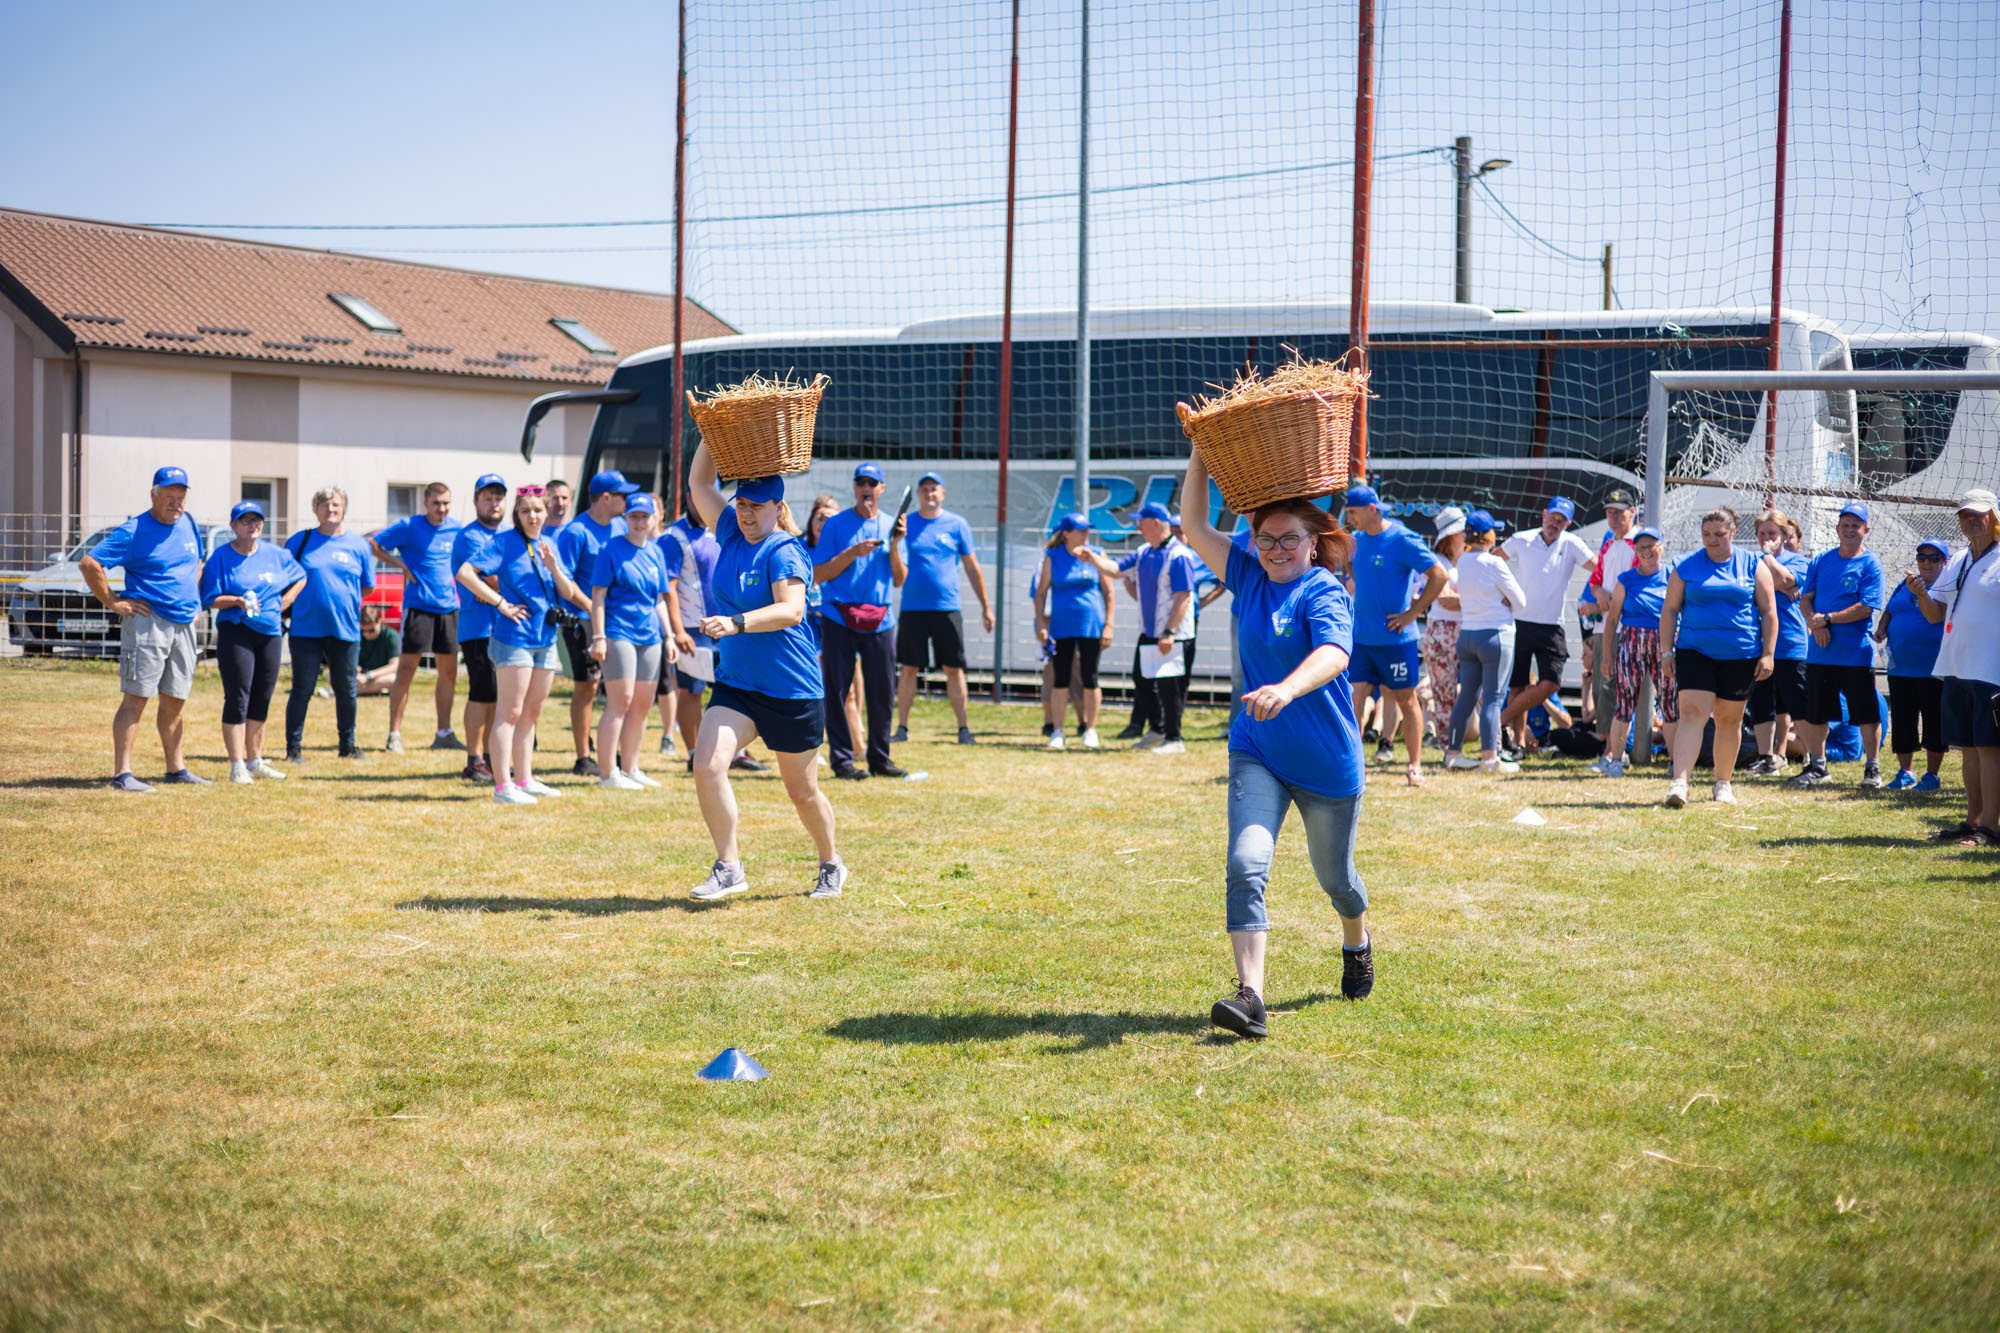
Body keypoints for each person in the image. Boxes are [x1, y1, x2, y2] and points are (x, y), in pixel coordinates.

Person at [1178, 449, 1371, 1039]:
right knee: (1245, 864)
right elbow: (1193, 527)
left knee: (1337, 881)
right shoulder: (1248, 576)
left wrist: (1287, 688)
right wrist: (1202, 452)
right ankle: (1251, 997)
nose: (1276, 550)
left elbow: (1336, 654)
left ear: (1314, 542)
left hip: (1327, 765)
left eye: (1289, 540)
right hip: (1257, 750)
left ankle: (1357, 939)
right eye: (1265, 540)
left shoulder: (1323, 590)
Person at [683, 448, 847, 901]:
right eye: (742, 504)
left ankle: (831, 862)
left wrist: (735, 623)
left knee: (802, 792)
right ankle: (729, 866)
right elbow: (699, 485)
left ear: (778, 507)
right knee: (708, 763)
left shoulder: (785, 550)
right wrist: (709, 432)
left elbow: (792, 611)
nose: (747, 513)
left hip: (791, 689)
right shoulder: (732, 531)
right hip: (738, 685)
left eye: (757, 506)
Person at [457, 486, 591, 805]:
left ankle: (525, 778)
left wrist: (554, 567)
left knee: (532, 711)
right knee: (510, 711)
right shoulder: (503, 542)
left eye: (538, 510)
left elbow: (569, 592)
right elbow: (465, 573)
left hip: (544, 637)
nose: (532, 516)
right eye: (525, 511)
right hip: (513, 637)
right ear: (517, 515)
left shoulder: (549, 544)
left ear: (547, 513)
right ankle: (503, 786)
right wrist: (500, 603)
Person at [79, 466, 209, 792]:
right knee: (136, 699)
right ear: (153, 495)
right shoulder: (133, 530)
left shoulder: (189, 523)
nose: (176, 504)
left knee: (175, 700)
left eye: (181, 497)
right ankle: (122, 774)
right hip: (148, 623)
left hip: (184, 625)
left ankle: (175, 769)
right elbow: (90, 563)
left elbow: (197, 563)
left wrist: (193, 601)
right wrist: (113, 602)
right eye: (169, 497)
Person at [1658, 507, 1776, 808]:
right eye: (1706, 535)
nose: (1712, 540)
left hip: (1741, 653)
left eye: (1719, 535)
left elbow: (1768, 612)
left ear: (1733, 532)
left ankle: (1722, 783)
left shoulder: (1754, 564)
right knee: (1693, 714)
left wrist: (1768, 654)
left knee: (1729, 719)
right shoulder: (1685, 566)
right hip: (1695, 650)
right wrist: (1666, 651)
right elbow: (1670, 610)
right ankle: (1680, 783)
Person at [1902, 488, 2000, 846]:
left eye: (1979, 514)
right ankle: (1973, 820)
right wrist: (1921, 593)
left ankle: (1991, 826)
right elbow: (1934, 615)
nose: (1972, 520)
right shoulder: (1959, 559)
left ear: (1994, 516)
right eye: (1965, 514)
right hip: (1957, 667)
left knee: (1991, 749)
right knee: (1969, 748)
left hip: (1992, 670)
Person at [1340, 485, 1448, 786]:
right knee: (1355, 698)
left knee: (1406, 700)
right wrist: (1350, 577)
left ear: (1372, 509)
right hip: (1361, 638)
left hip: (1395, 641)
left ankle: (1415, 766)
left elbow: (1439, 575)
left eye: (1353, 512)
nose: (1350, 518)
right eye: (1347, 512)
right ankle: (1355, 765)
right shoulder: (1356, 541)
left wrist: (1413, 613)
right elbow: (1347, 560)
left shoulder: (1401, 539)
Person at [200, 500, 308, 784]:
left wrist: (288, 599)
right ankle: (236, 763)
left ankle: (255, 759)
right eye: (245, 521)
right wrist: (236, 601)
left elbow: (301, 576)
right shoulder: (221, 558)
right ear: (234, 526)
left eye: (257, 520)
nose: (252, 525)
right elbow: (209, 599)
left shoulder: (276, 554)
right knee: (238, 696)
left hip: (270, 632)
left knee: (263, 695)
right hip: (237, 631)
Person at [812, 463, 908, 779]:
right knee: (837, 690)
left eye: (872, 482)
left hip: (880, 620)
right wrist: (852, 553)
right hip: (839, 616)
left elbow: (899, 579)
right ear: (855, 487)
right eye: (860, 482)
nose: (866, 487)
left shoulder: (892, 525)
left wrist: (894, 545)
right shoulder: (836, 525)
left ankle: (880, 758)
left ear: (882, 488)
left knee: (882, 690)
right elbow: (818, 574)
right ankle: (842, 761)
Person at [890, 472, 993, 745]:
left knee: (953, 668)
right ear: (919, 495)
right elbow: (894, 559)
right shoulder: (905, 524)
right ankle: (902, 727)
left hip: (947, 607)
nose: (929, 494)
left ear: (943, 494)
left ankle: (963, 728)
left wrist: (986, 607)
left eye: (934, 489)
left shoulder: (957, 525)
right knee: (909, 668)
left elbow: (972, 567)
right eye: (924, 489)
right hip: (913, 608)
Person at [1792, 502, 1886, 789]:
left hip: (1855, 655)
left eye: (1855, 525)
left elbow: (1866, 608)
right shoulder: (1821, 560)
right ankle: (1818, 766)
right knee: (1816, 712)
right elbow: (1805, 598)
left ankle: (1872, 767)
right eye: (1845, 525)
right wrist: (1813, 622)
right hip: (1820, 653)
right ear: (1837, 528)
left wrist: (1827, 620)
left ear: (1865, 530)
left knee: (1866, 713)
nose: (1849, 530)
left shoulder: (1870, 564)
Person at [368, 483, 465, 755]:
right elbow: (374, 545)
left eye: (446, 503)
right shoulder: (409, 526)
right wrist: (401, 566)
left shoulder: (456, 528)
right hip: (418, 607)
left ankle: (444, 733)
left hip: (448, 608)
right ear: (425, 503)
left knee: (448, 672)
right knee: (407, 669)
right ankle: (394, 734)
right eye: (436, 503)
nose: (442, 509)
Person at [282, 486, 376, 762]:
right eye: (324, 504)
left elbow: (366, 587)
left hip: (345, 628)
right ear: (315, 509)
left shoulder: (358, 546)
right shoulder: (299, 542)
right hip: (306, 629)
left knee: (346, 689)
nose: (331, 509)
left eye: (336, 504)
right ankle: (293, 749)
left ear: (343, 509)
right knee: (303, 688)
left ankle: (348, 745)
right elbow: (285, 580)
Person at [1499, 496, 1598, 754]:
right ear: (1544, 514)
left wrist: (1603, 594)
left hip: (1552, 625)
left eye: (1561, 520)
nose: (1555, 523)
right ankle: (1518, 743)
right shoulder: (1522, 538)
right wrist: (1500, 591)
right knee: (1517, 684)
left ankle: (1499, 720)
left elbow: (1598, 569)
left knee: (1551, 684)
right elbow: (1493, 560)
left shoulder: (1572, 543)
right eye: (1553, 517)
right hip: (1519, 620)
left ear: (1568, 523)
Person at [556, 470, 637, 777]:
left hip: (613, 622)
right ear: (606, 498)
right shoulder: (576, 532)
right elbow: (563, 579)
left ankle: (607, 748)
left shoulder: (619, 526)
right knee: (586, 687)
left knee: (615, 689)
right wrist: (591, 607)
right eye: (622, 496)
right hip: (581, 621)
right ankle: (583, 756)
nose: (626, 502)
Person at [589, 491, 671, 790]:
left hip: (650, 635)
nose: (639, 522)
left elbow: (659, 599)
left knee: (642, 705)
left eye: (644, 517)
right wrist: (598, 637)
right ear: (626, 518)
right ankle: (608, 773)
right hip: (618, 631)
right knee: (620, 701)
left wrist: (670, 636)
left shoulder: (656, 552)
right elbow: (598, 596)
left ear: (653, 519)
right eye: (634, 516)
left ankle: (631, 767)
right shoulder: (610, 549)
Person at [1442, 511, 1530, 774]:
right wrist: (1503, 599)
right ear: (1489, 535)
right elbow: (1521, 602)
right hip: (1495, 634)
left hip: (1468, 633)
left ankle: (1453, 754)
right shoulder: (1494, 563)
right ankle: (1490, 758)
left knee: (1466, 696)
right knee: (1493, 699)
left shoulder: (1463, 562)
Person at [1113, 501, 1200, 754]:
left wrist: (1169, 633)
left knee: (1169, 686)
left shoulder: (1180, 554)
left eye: (1141, 521)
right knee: (1141, 680)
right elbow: (1117, 571)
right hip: (1149, 632)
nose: (1138, 526)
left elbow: (1183, 596)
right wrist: (1092, 558)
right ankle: (1156, 729)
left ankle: (1174, 738)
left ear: (1155, 523)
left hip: (1172, 634)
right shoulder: (1144, 551)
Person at [1593, 526, 1676, 778]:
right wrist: (1607, 656)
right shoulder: (1626, 580)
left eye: (1651, 546)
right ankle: (1616, 759)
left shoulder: (1672, 576)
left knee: (1670, 705)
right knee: (1624, 704)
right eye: (1641, 548)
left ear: (1660, 548)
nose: (1646, 552)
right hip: (1631, 643)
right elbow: (1612, 619)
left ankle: (1675, 761)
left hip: (1663, 645)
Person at [1035, 512, 1120, 750]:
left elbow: (1109, 593)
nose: (1086, 534)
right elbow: (1041, 593)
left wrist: (1109, 624)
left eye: (1087, 530)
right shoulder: (1053, 556)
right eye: (1081, 530)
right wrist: (1041, 623)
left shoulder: (1096, 555)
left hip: (1091, 625)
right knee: (1060, 678)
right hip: (1062, 627)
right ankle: (1058, 731)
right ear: (1066, 533)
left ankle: (1090, 729)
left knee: (1090, 676)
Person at [1876, 537, 1949, 791]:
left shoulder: (1947, 587)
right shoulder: (1904, 584)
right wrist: (1882, 627)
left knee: (1933, 721)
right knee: (1904, 721)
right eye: (1922, 558)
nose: (1927, 563)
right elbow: (1890, 609)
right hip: (1901, 667)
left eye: (1934, 558)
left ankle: (1932, 775)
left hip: (1933, 669)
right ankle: (1905, 771)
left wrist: (1923, 593)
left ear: (1945, 562)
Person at [449, 474, 507, 783]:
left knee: (496, 696)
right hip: (478, 627)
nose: (494, 503)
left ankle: (488, 757)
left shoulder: (504, 535)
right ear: (475, 501)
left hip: (499, 627)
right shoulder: (470, 537)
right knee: (481, 693)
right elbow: (494, 579)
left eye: (499, 497)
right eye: (488, 497)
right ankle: (473, 760)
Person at [1746, 509, 1810, 776]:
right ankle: (1766, 757)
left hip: (1790, 643)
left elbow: (1786, 580)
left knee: (1798, 705)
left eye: (1772, 533)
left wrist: (1770, 559)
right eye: (1762, 533)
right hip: (1758, 645)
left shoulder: (1799, 561)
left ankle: (1812, 757)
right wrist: (1776, 577)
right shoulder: (1752, 561)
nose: (1766, 538)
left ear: (1784, 535)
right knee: (1762, 703)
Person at [1581, 488, 1639, 728]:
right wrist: (1599, 594)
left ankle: (1615, 745)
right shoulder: (1609, 545)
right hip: (1604, 625)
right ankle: (1605, 740)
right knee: (1601, 686)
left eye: (1619, 512)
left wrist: (1600, 603)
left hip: (1624, 626)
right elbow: (1595, 579)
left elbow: (1635, 588)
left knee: (1617, 688)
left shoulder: (1638, 544)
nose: (1613, 517)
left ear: (1632, 512)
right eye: (1610, 512)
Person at [1417, 507, 1468, 753]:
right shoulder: (1436, 563)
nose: (1467, 536)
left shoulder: (1463, 561)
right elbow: (1445, 599)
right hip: (1443, 633)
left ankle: (1456, 744)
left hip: (1465, 630)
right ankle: (1448, 746)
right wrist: (1483, 601)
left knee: (1470, 691)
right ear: (1452, 537)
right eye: (1462, 532)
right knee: (1444, 692)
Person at [356, 606, 400, 694]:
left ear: (379, 621)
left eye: (371, 630)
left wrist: (369, 675)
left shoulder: (391, 636)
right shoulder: (356, 635)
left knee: (392, 679)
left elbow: (395, 666)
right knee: (330, 676)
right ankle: (367, 690)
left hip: (380, 676)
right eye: (363, 630)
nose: (366, 634)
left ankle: (351, 691)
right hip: (359, 678)